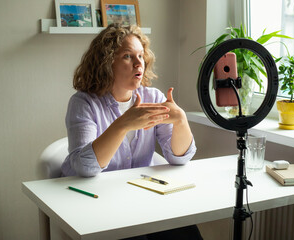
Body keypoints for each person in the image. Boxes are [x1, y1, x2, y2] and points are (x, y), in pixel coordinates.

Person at [61, 24, 202, 240]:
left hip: (141, 202)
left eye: (140, 56)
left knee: (188, 233)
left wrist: (181, 120)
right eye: (128, 56)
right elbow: (84, 167)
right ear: (107, 63)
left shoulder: (153, 98)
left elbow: (179, 158)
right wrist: (123, 124)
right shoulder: (84, 103)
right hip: (96, 205)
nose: (139, 63)